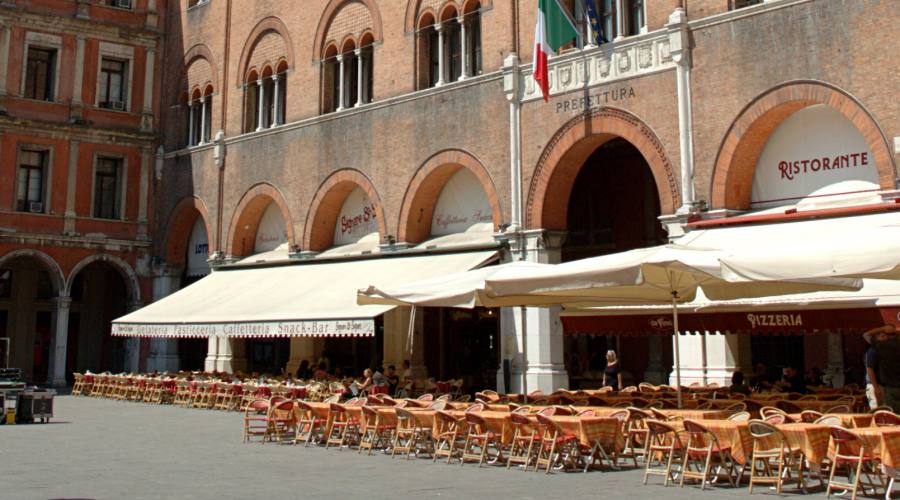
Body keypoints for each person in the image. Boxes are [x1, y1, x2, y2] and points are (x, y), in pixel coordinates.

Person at [864, 325, 900, 411]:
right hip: (890, 386)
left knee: (891, 415)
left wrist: (882, 328)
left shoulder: (881, 347)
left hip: (890, 387)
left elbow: (866, 335)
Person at [865, 334, 881, 409]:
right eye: (882, 336)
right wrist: (876, 387)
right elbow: (869, 369)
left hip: (880, 385)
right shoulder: (872, 351)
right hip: (874, 385)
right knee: (877, 411)